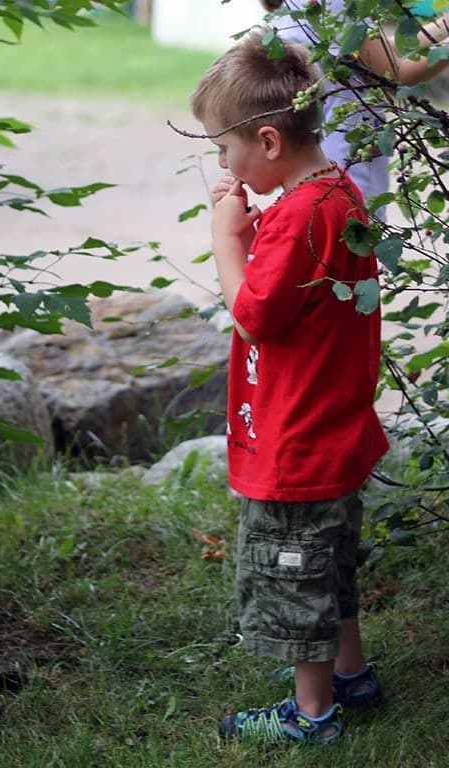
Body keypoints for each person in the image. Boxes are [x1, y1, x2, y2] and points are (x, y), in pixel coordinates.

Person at [190, 30, 389, 744]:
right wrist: (256, 224)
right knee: (331, 571)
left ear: (268, 142)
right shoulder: (336, 194)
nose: (223, 162)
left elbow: (254, 312)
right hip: (336, 432)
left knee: (294, 575)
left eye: (225, 149)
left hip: (297, 449)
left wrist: (226, 236)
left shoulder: (297, 218)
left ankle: (313, 716)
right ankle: (350, 674)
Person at [259, 0, 449, 206]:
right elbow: (396, 73)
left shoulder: (300, 4)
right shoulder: (333, 3)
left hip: (324, 162)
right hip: (347, 165)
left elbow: (379, 48)